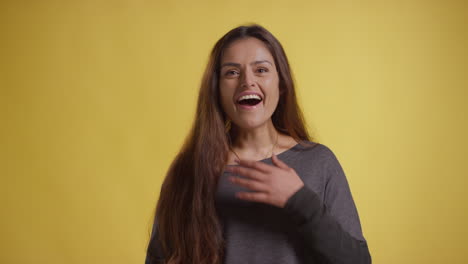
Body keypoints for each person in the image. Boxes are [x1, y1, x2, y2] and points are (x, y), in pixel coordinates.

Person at [145, 24, 371, 264]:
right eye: (232, 72)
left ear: (281, 85)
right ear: (216, 90)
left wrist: (299, 199)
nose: (247, 81)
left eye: (261, 70)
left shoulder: (319, 162)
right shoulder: (188, 169)